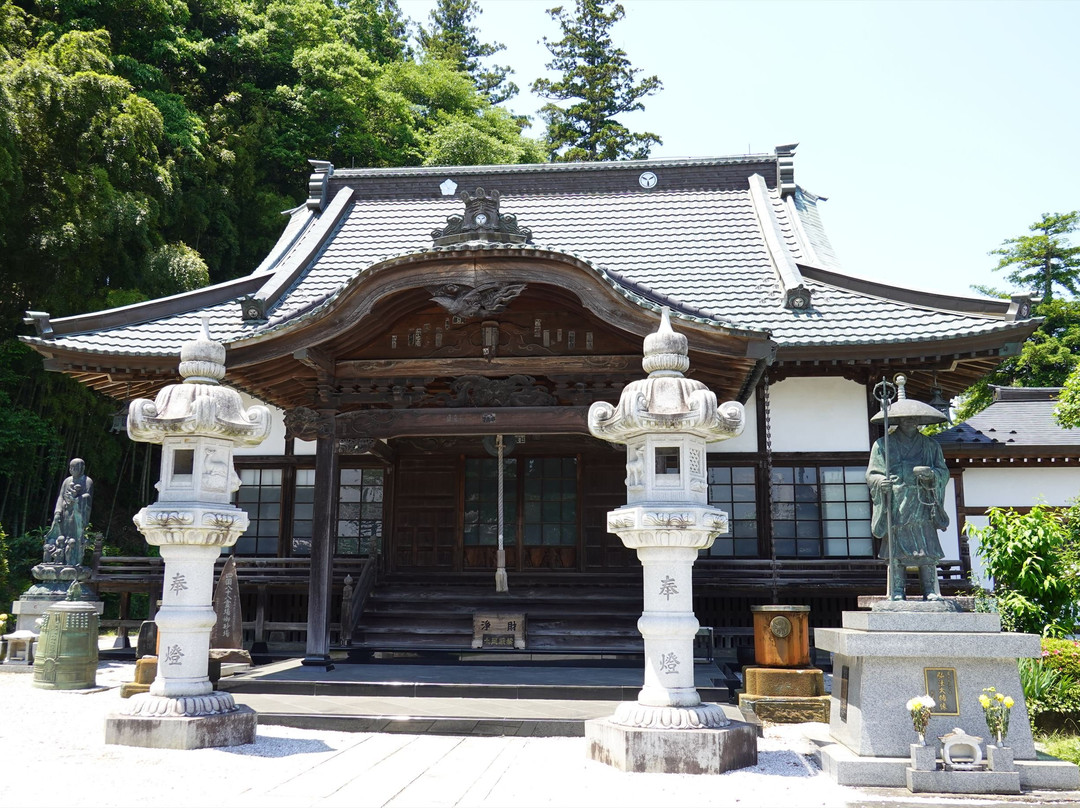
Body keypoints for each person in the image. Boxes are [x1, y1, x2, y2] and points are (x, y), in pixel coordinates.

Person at [866, 377, 949, 601]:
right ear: (897, 420)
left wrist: (932, 475)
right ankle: (897, 590)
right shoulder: (882, 445)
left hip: (922, 500)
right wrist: (880, 482)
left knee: (926, 547)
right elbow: (872, 473)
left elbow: (944, 471)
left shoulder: (931, 445)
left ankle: (930, 590)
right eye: (905, 418)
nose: (911, 421)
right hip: (896, 500)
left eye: (914, 418)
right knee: (896, 551)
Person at [42, 458, 94, 567]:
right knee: (61, 535)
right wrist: (57, 512)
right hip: (65, 513)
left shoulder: (87, 481)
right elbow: (61, 497)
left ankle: (73, 561)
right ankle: (58, 560)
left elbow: (88, 497)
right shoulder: (67, 481)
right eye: (71, 467)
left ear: (82, 468)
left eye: (76, 467)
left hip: (77, 514)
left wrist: (76, 499)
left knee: (74, 538)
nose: (72, 470)